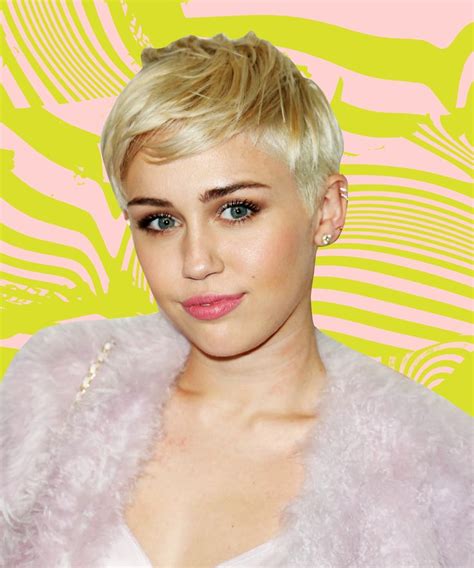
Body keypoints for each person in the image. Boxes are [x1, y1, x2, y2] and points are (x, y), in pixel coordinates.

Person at [0, 31, 471, 568]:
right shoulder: (61, 391)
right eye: (160, 221)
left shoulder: (434, 471)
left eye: (236, 210)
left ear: (326, 209)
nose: (196, 261)